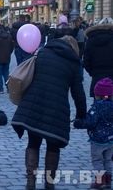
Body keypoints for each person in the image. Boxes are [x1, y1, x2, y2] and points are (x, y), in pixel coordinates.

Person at [11, 35, 87, 190]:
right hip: (57, 109)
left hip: (34, 104)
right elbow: (78, 93)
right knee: (53, 146)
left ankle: (30, 182)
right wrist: (81, 115)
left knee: (33, 143)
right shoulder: (72, 62)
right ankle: (49, 183)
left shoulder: (42, 53)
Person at [74, 78, 113, 189]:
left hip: (98, 140)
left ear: (97, 95)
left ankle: (100, 180)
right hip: (111, 140)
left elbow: (90, 122)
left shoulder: (96, 107)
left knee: (97, 160)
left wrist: (78, 123)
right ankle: (108, 180)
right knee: (108, 159)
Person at [83, 20, 113, 98]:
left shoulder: (91, 39)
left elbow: (86, 61)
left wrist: (93, 72)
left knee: (98, 104)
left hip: (97, 78)